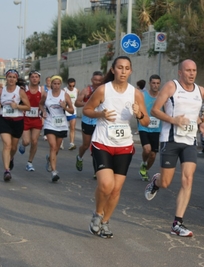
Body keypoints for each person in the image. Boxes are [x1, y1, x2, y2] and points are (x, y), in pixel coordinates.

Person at [84, 56, 149, 238]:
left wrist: (139, 113)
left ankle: (105, 222)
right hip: (102, 142)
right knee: (106, 184)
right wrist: (100, 114)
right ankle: (97, 214)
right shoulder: (103, 90)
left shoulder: (135, 93)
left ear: (130, 71)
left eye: (126, 68)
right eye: (119, 67)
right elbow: (87, 109)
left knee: (115, 189)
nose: (123, 71)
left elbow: (146, 120)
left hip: (124, 145)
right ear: (113, 70)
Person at [144, 59, 204, 237]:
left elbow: (193, 115)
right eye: (188, 70)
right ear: (180, 72)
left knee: (188, 179)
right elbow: (155, 111)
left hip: (189, 141)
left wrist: (201, 125)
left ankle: (177, 223)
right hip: (170, 139)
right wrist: (175, 121)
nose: (191, 73)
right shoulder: (171, 87)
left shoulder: (200, 90)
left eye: (194, 70)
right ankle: (156, 181)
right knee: (166, 183)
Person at [0, 69, 31, 181]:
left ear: (16, 79)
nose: (11, 79)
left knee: (13, 147)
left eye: (14, 77)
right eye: (9, 76)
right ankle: (6, 171)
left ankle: (11, 158)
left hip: (17, 121)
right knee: (7, 144)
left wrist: (18, 107)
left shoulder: (20, 92)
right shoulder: (1, 91)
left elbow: (28, 106)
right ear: (6, 78)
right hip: (4, 120)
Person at [40, 75, 74, 182]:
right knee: (53, 146)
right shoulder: (46, 94)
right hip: (50, 123)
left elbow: (72, 110)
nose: (56, 86)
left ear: (60, 84)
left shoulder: (65, 95)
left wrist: (65, 107)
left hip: (61, 125)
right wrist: (43, 111)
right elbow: (40, 104)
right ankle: (54, 172)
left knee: (56, 149)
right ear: (51, 84)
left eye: (58, 84)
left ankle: (50, 159)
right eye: (54, 83)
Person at [75, 71, 104, 178]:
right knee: (86, 145)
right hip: (87, 121)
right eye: (95, 80)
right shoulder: (86, 90)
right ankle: (79, 157)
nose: (97, 82)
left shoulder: (104, 90)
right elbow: (77, 103)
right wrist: (86, 103)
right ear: (92, 80)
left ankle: (97, 171)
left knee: (97, 147)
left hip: (99, 122)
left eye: (99, 80)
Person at [18, 70, 44, 171]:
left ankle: (29, 162)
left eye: (36, 77)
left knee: (34, 141)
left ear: (39, 79)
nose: (34, 78)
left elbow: (45, 103)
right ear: (29, 78)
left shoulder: (42, 90)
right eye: (32, 77)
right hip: (25, 118)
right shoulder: (24, 90)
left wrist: (44, 112)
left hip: (37, 119)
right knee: (26, 141)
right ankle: (23, 145)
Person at [137, 74, 162, 181]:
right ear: (149, 83)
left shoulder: (162, 96)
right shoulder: (142, 95)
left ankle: (144, 169)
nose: (155, 85)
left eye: (157, 83)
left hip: (156, 128)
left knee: (153, 155)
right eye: (153, 83)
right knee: (147, 149)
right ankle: (143, 162)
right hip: (144, 126)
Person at [64, 78, 78, 150]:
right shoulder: (64, 90)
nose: (72, 87)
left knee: (72, 128)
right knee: (63, 128)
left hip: (73, 112)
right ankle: (61, 142)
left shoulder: (76, 90)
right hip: (65, 112)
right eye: (70, 85)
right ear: (67, 84)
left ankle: (71, 143)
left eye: (73, 85)